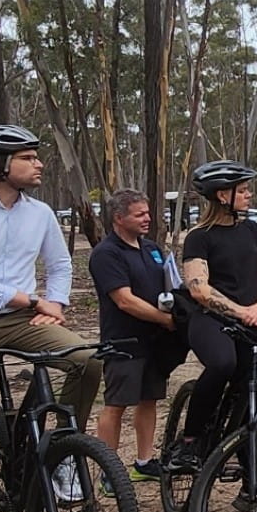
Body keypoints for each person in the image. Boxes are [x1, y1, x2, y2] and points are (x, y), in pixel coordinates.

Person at [0, 125, 103, 503]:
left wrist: (55, 305)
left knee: (88, 360)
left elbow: (60, 265)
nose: (39, 164)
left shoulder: (40, 213)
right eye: (27, 158)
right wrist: (30, 300)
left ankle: (64, 453)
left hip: (23, 321)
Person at [170, 160, 257, 480]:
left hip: (252, 318)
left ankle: (250, 476)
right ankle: (189, 441)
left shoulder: (251, 229)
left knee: (254, 388)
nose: (249, 195)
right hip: (211, 320)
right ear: (222, 195)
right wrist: (241, 311)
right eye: (242, 190)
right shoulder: (199, 236)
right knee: (222, 364)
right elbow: (200, 290)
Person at [88, 189, 182, 492]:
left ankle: (144, 462)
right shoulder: (106, 254)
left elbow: (169, 281)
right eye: (139, 214)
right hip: (124, 341)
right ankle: (109, 470)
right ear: (119, 218)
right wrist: (165, 319)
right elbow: (124, 300)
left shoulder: (151, 248)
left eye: (147, 212)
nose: (147, 218)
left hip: (154, 341)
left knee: (149, 399)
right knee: (116, 404)